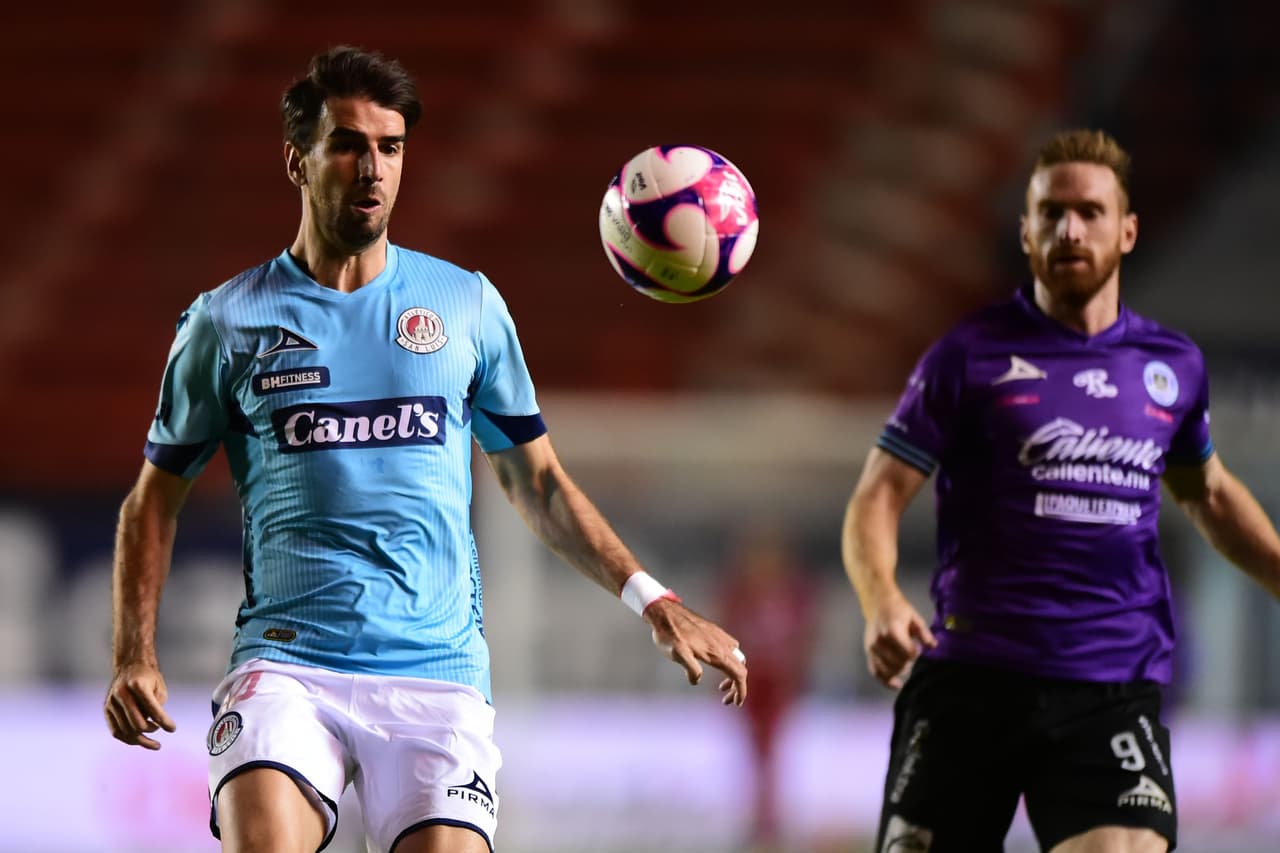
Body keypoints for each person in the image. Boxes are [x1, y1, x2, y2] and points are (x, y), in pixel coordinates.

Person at [102, 45, 748, 853]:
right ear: (297, 161)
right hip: (289, 665)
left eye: (390, 146)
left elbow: (538, 483)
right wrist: (135, 653)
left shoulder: (466, 306)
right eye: (347, 144)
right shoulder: (227, 322)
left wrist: (655, 600)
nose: (372, 167)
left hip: (436, 671)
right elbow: (152, 497)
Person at [842, 128, 1280, 853]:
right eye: (1050, 213)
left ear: (1128, 230)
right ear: (1025, 230)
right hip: (970, 682)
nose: (1069, 229)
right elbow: (878, 494)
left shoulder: (1172, 367)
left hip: (1108, 689)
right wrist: (881, 597)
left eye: (1089, 211)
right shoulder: (968, 355)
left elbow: (1208, 492)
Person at [718, 522, 817, 850]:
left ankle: (769, 818)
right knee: (754, 750)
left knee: (771, 750)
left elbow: (805, 635)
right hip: (749, 678)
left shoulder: (793, 590)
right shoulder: (740, 590)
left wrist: (797, 670)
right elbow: (725, 630)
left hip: (777, 680)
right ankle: (760, 817)